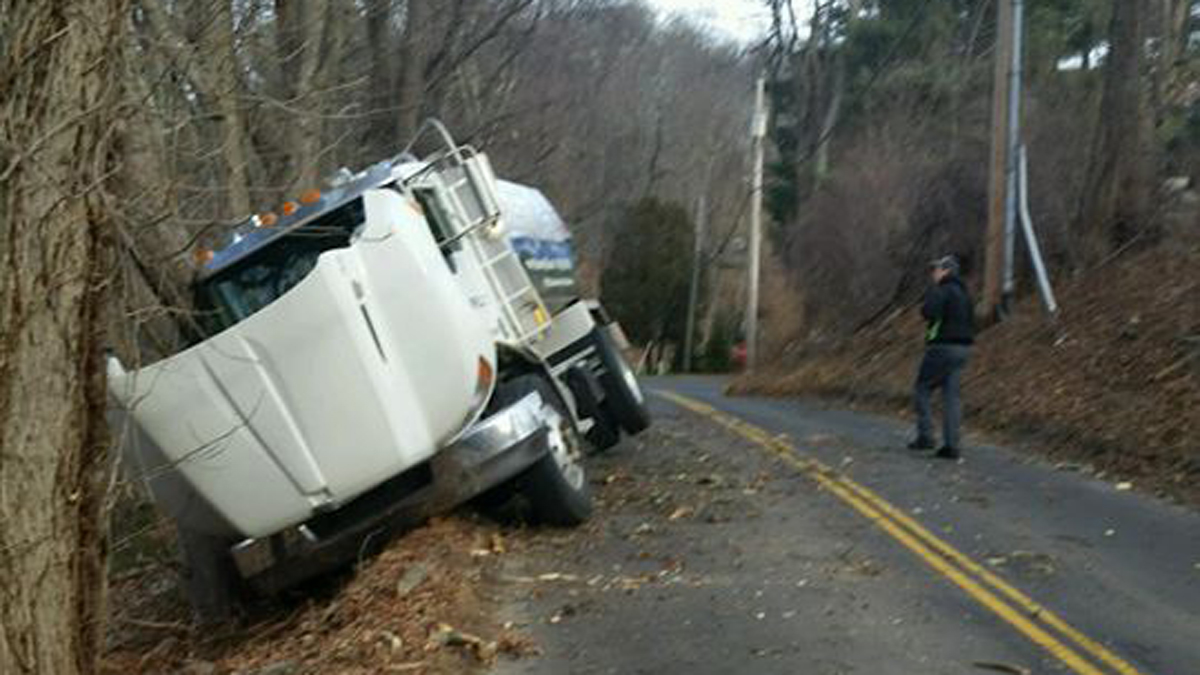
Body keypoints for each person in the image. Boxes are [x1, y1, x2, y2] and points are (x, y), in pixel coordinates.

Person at [908, 255, 974, 459]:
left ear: (946, 271)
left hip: (941, 347)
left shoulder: (942, 290)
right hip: (963, 349)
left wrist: (929, 300)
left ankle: (926, 436)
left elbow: (928, 312)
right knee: (951, 397)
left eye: (937, 269)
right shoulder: (965, 294)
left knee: (922, 388)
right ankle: (952, 446)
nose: (933, 273)